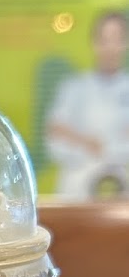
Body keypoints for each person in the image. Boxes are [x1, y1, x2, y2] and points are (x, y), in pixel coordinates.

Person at [45, 11, 129, 199]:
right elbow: (55, 130)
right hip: (77, 187)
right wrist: (87, 143)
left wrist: (105, 149)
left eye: (117, 39)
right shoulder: (73, 88)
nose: (110, 47)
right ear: (94, 43)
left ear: (125, 43)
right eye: (104, 40)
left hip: (122, 189)